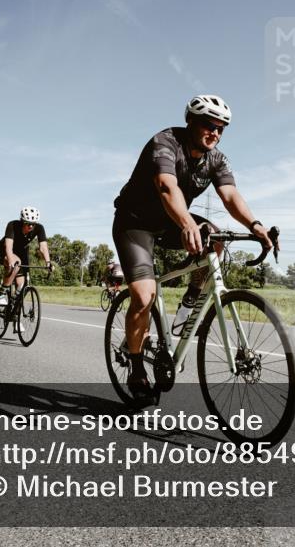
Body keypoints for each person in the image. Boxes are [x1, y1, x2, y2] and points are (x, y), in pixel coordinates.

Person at [111, 95, 275, 399]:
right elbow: (166, 186)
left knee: (215, 239)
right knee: (144, 296)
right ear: (191, 122)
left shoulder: (217, 159)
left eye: (221, 128)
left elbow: (230, 196)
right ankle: (135, 367)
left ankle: (190, 302)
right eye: (208, 125)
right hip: (135, 223)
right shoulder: (165, 141)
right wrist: (186, 223)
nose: (215, 132)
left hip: (172, 220)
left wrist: (255, 225)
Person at [0, 207, 52, 306]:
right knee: (16, 263)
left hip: (21, 252)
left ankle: (14, 310)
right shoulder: (12, 225)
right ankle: (2, 293)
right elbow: (8, 247)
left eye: (33, 223)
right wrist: (11, 262)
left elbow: (43, 248)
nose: (31, 226)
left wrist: (48, 263)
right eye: (28, 223)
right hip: (2, 251)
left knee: (22, 285)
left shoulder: (39, 228)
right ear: (22, 221)